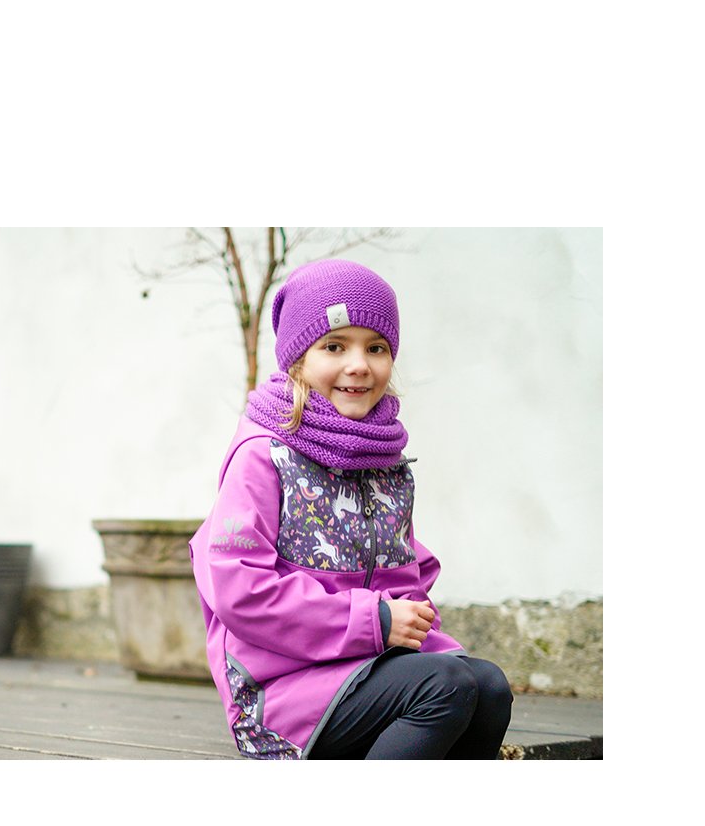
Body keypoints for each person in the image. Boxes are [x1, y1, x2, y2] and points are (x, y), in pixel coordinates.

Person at [189, 257, 513, 760]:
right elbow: (241, 590)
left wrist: (408, 619)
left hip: (367, 668)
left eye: (376, 348)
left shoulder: (383, 462)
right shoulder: (263, 457)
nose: (359, 364)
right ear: (297, 360)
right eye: (335, 346)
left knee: (488, 686)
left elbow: (404, 578)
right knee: (444, 686)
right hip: (282, 690)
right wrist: (375, 621)